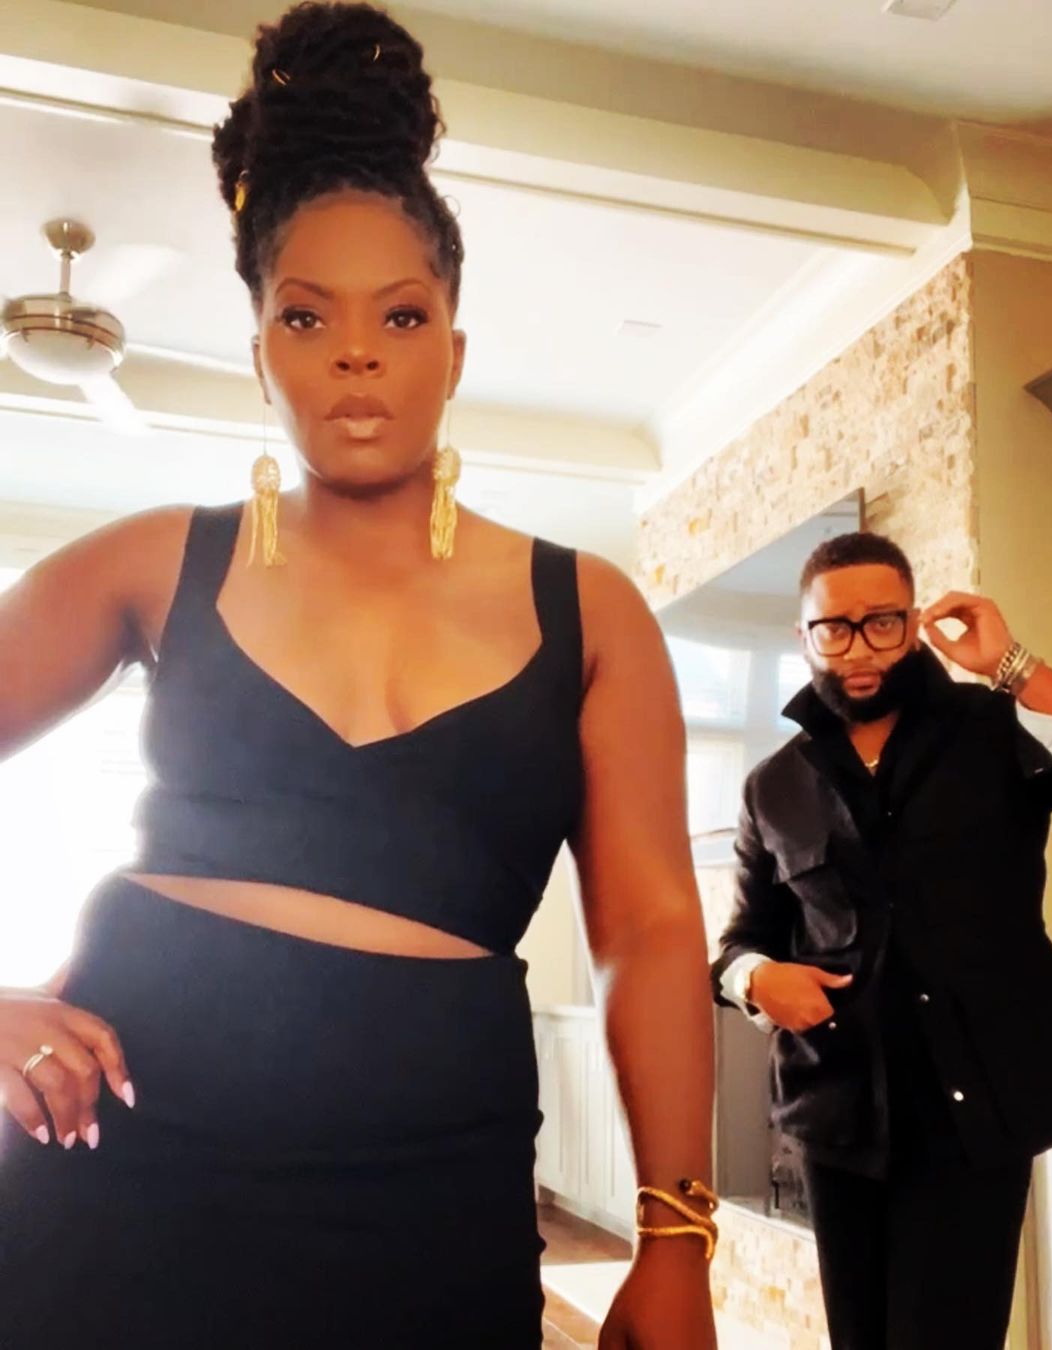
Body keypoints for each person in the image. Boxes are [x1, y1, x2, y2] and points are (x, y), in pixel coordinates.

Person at [0, 5, 718, 1345]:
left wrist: (677, 1238)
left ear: (454, 345)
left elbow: (651, 931)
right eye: (304, 314)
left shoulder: (592, 611)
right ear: (260, 352)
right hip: (128, 1168)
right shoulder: (154, 563)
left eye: (401, 312)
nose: (356, 350)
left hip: (431, 1196)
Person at [712, 530, 1052, 1350]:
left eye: (882, 622)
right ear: (804, 637)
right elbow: (739, 942)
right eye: (834, 629)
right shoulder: (773, 784)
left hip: (980, 1104)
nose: (859, 649)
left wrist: (1012, 665)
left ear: (914, 624)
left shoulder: (994, 728)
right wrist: (757, 979)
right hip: (837, 1110)